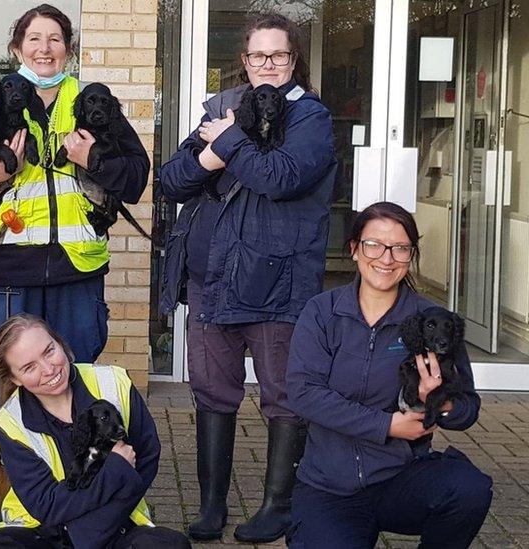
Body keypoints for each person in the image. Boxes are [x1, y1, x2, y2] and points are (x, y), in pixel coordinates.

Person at [158, 12, 337, 543]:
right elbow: (172, 180)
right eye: (257, 56)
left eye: (278, 56)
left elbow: (279, 178)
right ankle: (212, 507)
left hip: (279, 282)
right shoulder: (222, 108)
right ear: (244, 60)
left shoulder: (311, 119)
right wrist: (213, 152)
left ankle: (278, 507)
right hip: (213, 277)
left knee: (283, 395)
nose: (267, 65)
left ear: (293, 59)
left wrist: (227, 142)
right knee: (213, 393)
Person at [0, 4, 149, 438]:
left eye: (55, 39)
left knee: (76, 389)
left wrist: (91, 159)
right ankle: (13, 500)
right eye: (34, 38)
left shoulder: (93, 101)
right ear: (17, 48)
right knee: (6, 399)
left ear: (68, 49)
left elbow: (135, 178)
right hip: (9, 275)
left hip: (78, 271)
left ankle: (77, 496)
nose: (44, 48)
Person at [285, 201, 493, 547]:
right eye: (374, 245)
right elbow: (303, 392)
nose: (386, 258)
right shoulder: (322, 312)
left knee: (469, 488)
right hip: (330, 484)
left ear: (411, 254)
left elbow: (468, 408)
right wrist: (387, 426)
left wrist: (439, 403)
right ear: (354, 249)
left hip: (402, 476)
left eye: (400, 248)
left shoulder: (433, 319)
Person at [0, 314, 191, 549]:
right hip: (41, 529)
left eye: (49, 351)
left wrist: (95, 529)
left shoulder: (113, 383)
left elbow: (146, 458)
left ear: (59, 343)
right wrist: (114, 471)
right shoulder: (10, 423)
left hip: (115, 520)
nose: (49, 369)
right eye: (29, 367)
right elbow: (47, 504)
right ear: (15, 378)